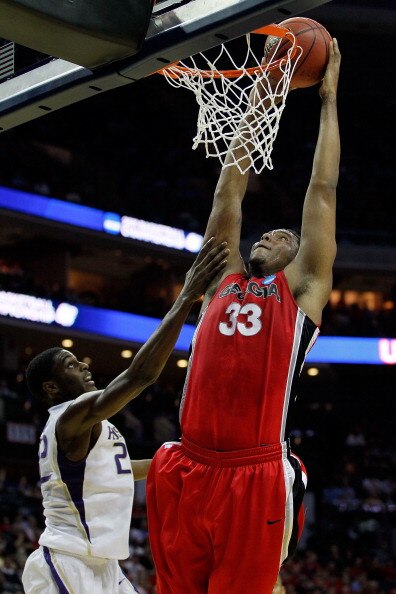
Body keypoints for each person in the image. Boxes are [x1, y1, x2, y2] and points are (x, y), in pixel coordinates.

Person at [146, 39, 341, 594]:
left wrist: (328, 100)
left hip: (252, 475)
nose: (268, 234)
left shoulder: (300, 291)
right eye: (267, 231)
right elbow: (227, 197)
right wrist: (257, 99)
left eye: (283, 236)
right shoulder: (219, 280)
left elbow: (321, 192)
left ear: (296, 257)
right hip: (187, 464)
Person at [21, 238, 229, 594]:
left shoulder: (88, 425)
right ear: (52, 388)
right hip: (68, 561)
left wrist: (182, 458)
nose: (84, 366)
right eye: (70, 366)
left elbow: (115, 471)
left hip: (106, 567)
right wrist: (184, 298)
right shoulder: (70, 416)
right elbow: (140, 376)